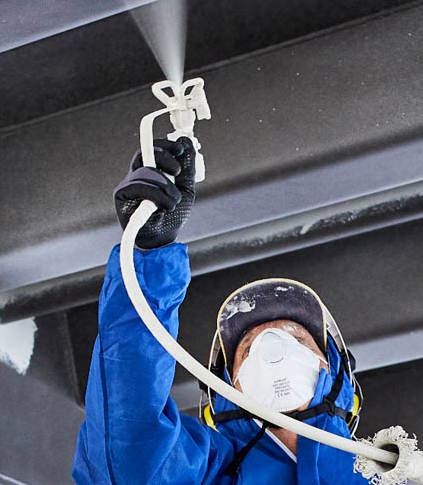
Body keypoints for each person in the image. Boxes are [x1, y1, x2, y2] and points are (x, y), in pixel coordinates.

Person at [73, 138, 368, 484]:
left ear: (337, 376)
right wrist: (148, 255)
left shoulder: (396, 473)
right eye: (248, 349)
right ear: (228, 391)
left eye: (298, 338)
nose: (273, 349)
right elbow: (130, 451)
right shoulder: (206, 476)